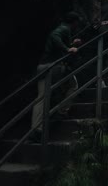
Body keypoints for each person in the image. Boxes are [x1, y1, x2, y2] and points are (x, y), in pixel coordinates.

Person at [30, 12, 82, 141]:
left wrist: (72, 44)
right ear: (74, 22)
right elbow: (55, 36)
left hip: (43, 66)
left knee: (41, 97)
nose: (77, 26)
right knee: (73, 85)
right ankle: (61, 111)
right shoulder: (64, 28)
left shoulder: (63, 27)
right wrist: (67, 49)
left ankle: (36, 129)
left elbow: (55, 44)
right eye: (77, 23)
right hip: (52, 67)